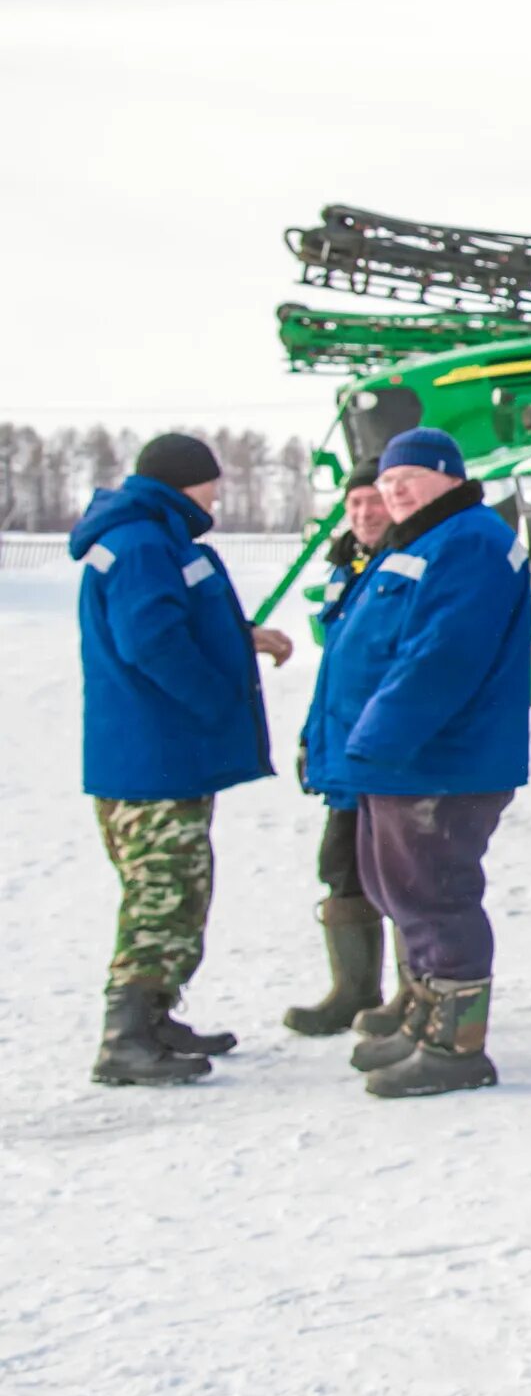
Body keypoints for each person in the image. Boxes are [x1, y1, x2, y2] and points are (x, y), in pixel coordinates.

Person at [306, 427, 530, 1098]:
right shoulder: (424, 540)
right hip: (397, 758)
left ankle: (456, 1047)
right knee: (395, 888)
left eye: (412, 477)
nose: (394, 488)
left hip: (437, 759)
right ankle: (424, 1020)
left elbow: (441, 654)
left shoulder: (468, 540)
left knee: (435, 894)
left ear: (449, 476)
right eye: (388, 479)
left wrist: (379, 736)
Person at [71, 431, 292, 1086]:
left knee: (179, 886)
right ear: (184, 481)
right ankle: (126, 1037)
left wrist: (239, 639)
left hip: (154, 754)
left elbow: (174, 622)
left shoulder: (152, 536)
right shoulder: (143, 542)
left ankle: (156, 1015)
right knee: (163, 893)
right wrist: (217, 696)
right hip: (154, 756)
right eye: (212, 481)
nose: (218, 492)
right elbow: (153, 640)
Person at [284, 460, 392, 1036]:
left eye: (374, 501)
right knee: (341, 868)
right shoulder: (347, 568)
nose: (364, 514)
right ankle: (354, 991)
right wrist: (313, 739)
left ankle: (418, 997)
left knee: (400, 877)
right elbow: (336, 671)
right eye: (354, 505)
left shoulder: (400, 568)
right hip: (343, 751)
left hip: (385, 754)